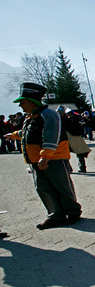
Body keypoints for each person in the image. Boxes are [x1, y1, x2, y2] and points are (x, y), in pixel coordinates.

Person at [5, 83, 82, 229]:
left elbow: (51, 136)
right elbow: (27, 134)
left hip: (52, 158)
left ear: (32, 101)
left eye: (23, 102)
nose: (20, 105)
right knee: (43, 188)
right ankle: (55, 215)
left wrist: (45, 155)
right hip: (36, 160)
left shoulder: (49, 115)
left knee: (61, 186)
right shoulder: (32, 117)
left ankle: (72, 212)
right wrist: (14, 135)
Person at [62, 108, 91, 173]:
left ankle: (69, 168)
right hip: (78, 137)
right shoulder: (78, 118)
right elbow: (85, 123)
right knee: (79, 153)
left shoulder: (66, 120)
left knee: (65, 154)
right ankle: (82, 168)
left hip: (68, 137)